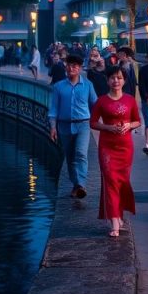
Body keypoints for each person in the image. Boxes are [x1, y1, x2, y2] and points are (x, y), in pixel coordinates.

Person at [90, 66, 141, 237]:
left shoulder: (130, 100)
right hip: (107, 147)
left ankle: (119, 213)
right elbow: (93, 123)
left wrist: (129, 125)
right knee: (111, 181)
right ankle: (114, 221)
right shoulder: (102, 101)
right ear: (107, 80)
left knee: (122, 181)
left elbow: (137, 121)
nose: (116, 81)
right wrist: (109, 127)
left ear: (124, 80)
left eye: (119, 78)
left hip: (125, 147)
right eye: (112, 78)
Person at [49, 54, 99, 199]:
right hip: (64, 126)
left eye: (75, 66)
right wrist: (53, 127)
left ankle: (81, 184)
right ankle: (76, 184)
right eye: (69, 65)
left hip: (83, 124)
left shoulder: (88, 85)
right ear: (66, 67)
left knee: (81, 154)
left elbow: (95, 104)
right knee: (70, 157)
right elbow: (53, 110)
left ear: (79, 69)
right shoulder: (59, 86)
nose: (71, 68)